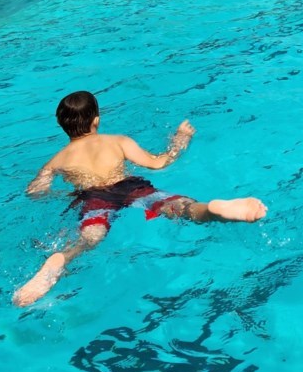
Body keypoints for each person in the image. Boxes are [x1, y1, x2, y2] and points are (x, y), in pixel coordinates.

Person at [13, 91, 266, 306]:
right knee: (180, 208)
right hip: (130, 187)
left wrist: (65, 192)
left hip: (94, 197)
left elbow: (35, 193)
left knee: (90, 238)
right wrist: (180, 140)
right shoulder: (118, 141)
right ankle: (210, 210)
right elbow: (158, 163)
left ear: (61, 125)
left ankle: (61, 259)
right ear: (97, 120)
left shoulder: (57, 160)